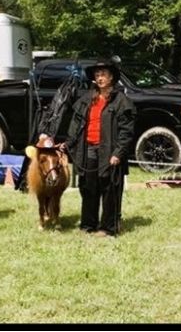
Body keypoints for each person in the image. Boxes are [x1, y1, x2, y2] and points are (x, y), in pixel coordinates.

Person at [47, 59, 135, 237]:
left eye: (103, 74)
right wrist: (67, 144)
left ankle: (108, 227)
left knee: (109, 189)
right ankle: (88, 224)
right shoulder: (86, 100)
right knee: (88, 187)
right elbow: (75, 125)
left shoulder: (121, 101)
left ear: (111, 77)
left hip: (110, 151)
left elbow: (127, 131)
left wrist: (118, 153)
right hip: (87, 149)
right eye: (97, 75)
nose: (100, 78)